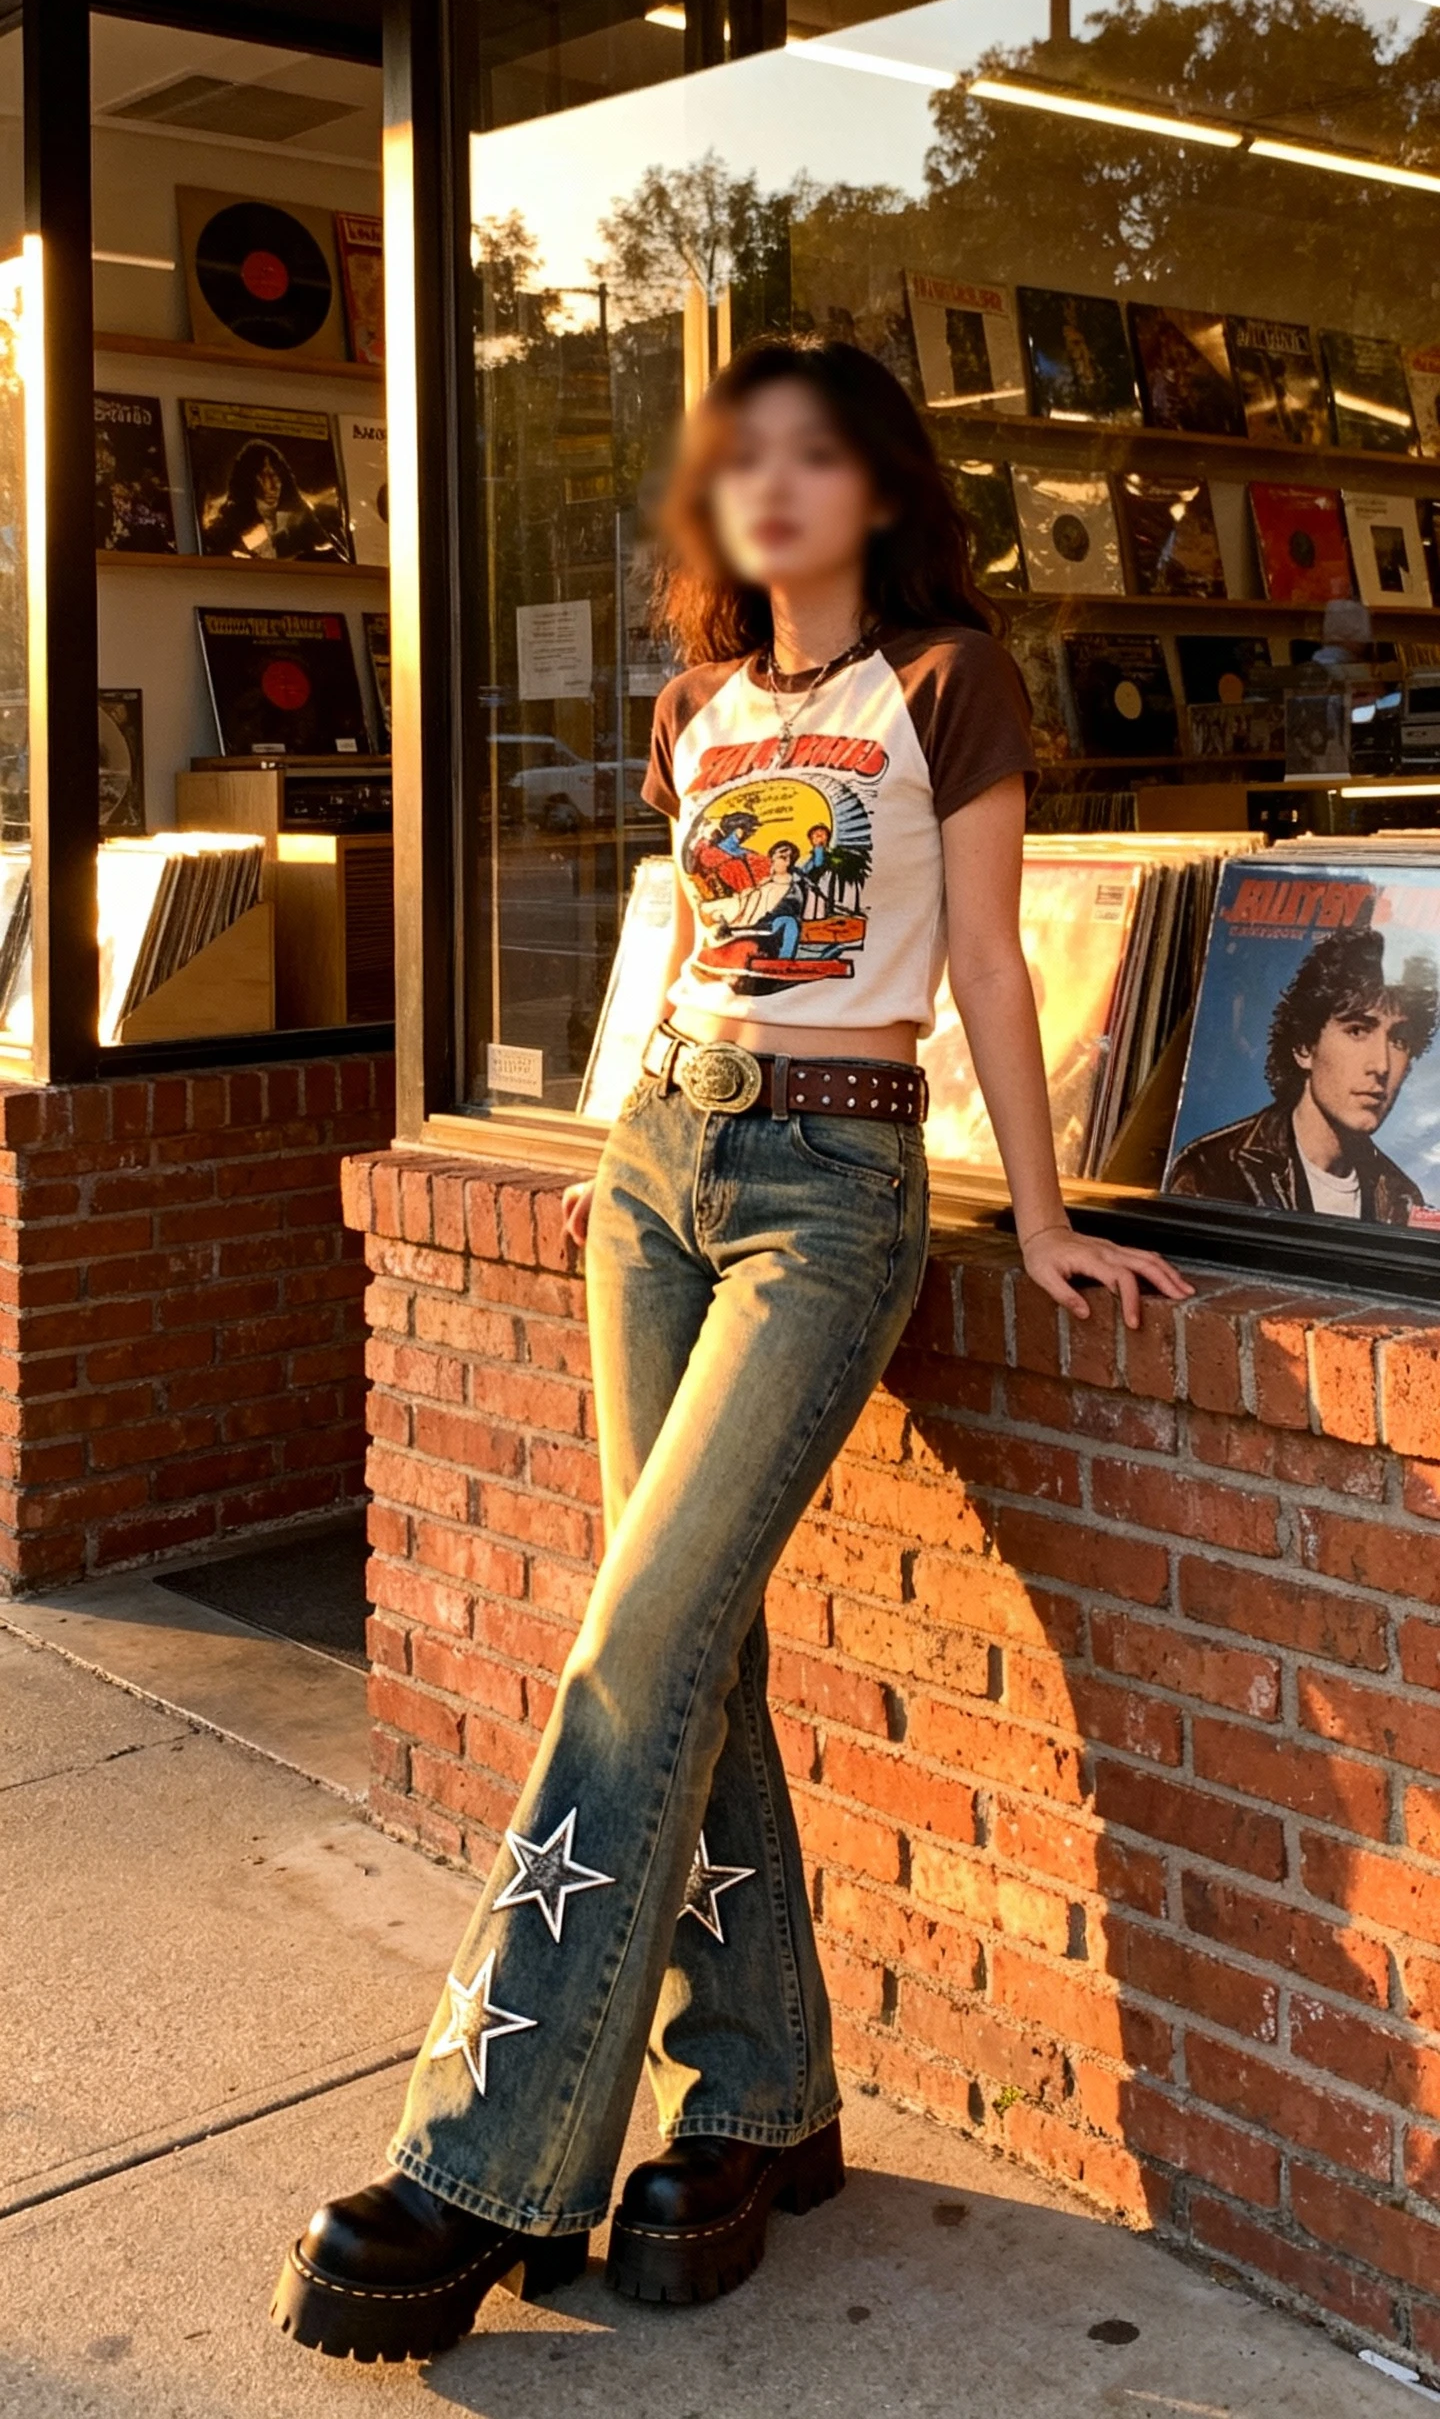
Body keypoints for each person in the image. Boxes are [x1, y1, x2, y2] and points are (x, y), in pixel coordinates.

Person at [272, 335, 1190, 2364]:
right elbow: (676, 952)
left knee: (630, 1648)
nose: (774, 484)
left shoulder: (947, 685)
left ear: (879, 489)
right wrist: (608, 1157)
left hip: (830, 1187)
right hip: (656, 1163)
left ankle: (488, 2149)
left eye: (817, 453)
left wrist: (1037, 1220)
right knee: (701, 1647)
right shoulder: (696, 708)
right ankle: (761, 2095)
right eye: (741, 457)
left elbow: (974, 975)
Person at [1168, 921, 1437, 1223]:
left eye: (1399, 1040)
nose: (1381, 1066)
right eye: (1358, 1030)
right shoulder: (1210, 1170)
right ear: (1304, 1047)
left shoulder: (1402, 1196)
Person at [202, 437, 349, 563]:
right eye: (264, 474)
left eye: (276, 474)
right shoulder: (226, 530)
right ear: (248, 478)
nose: (272, 484)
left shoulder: (299, 528)